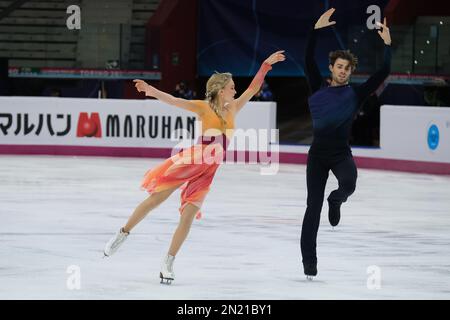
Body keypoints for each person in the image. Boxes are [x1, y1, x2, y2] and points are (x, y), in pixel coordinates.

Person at [103, 50, 285, 284]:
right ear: (221, 91)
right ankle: (122, 234)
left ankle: (168, 262)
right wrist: (151, 91)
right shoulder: (203, 107)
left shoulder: (234, 107)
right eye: (231, 87)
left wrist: (265, 65)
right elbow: (174, 100)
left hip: (209, 171)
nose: (235, 90)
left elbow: (253, 88)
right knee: (155, 200)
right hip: (192, 162)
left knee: (187, 217)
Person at [301, 8, 391, 279]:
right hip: (317, 155)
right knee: (312, 208)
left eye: (347, 68)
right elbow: (307, 58)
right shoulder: (317, 86)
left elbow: (383, 72)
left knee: (349, 184)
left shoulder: (356, 94)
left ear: (351, 72)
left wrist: (387, 44)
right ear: (332, 69)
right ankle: (309, 261)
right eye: (338, 67)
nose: (342, 71)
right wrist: (315, 30)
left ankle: (336, 199)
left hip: (341, 154)